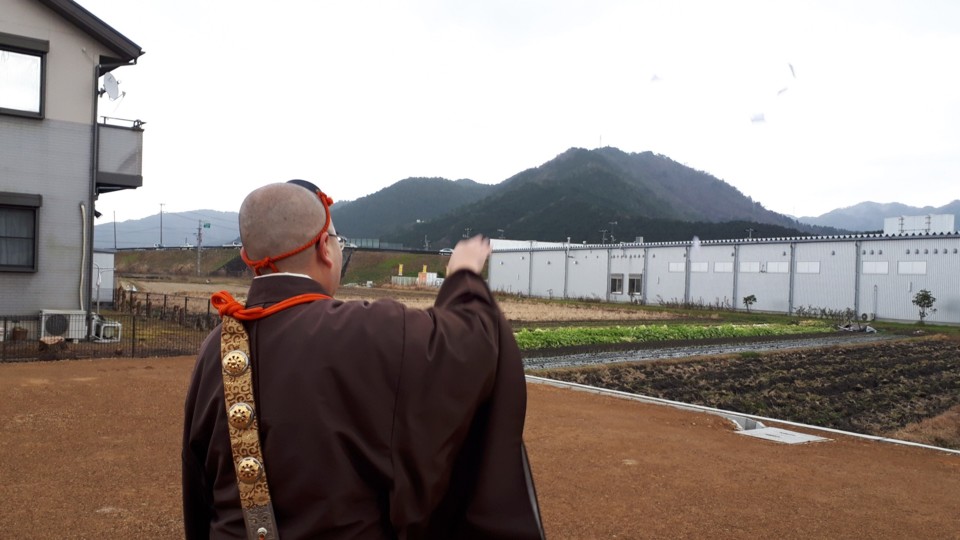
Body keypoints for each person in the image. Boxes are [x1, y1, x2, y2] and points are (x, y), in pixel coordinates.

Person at [182, 180, 544, 539]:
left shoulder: (219, 349)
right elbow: (470, 343)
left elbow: (200, 489)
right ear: (325, 247)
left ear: (249, 261)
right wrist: (463, 276)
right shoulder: (372, 329)